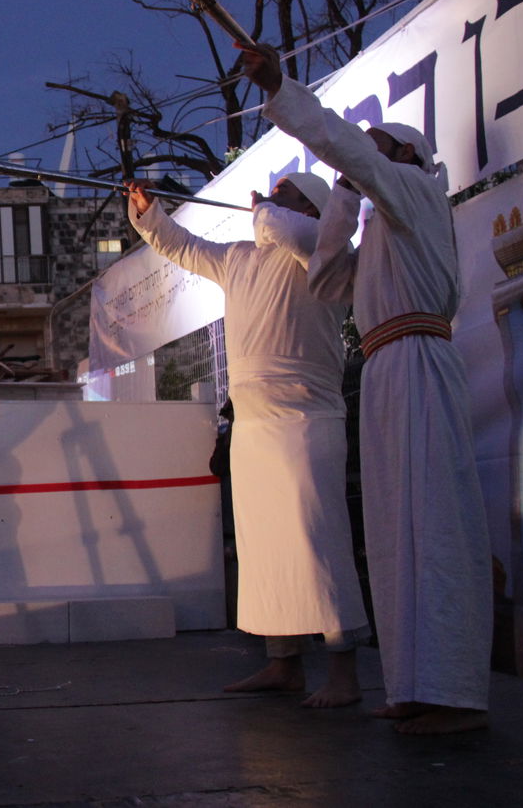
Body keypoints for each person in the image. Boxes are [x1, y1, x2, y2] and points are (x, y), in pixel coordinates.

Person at [241, 41, 492, 734]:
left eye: (381, 153)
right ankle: (416, 681)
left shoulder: (416, 195)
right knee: (392, 529)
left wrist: (283, 91)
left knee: (434, 521)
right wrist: (343, 205)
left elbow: (345, 146)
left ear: (406, 160)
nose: (367, 164)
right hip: (386, 371)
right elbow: (325, 278)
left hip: (419, 361)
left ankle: (457, 694)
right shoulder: (384, 228)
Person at [128, 172, 369, 708]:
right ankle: (283, 663)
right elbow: (182, 246)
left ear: (312, 206)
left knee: (318, 541)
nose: (270, 195)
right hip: (255, 426)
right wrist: (150, 214)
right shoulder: (239, 257)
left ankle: (344, 671)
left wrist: (268, 213)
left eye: (285, 191)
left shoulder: (327, 253)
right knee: (264, 550)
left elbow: (299, 234)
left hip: (306, 417)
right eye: (273, 191)